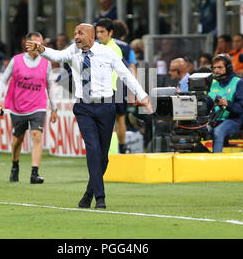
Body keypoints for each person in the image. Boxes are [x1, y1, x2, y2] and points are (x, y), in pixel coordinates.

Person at [26, 23, 152, 209]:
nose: (76, 36)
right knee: (92, 148)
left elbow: (125, 75)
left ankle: (88, 194)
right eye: (75, 33)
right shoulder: (73, 51)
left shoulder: (108, 53)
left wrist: (143, 96)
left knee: (103, 158)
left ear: (92, 36)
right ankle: (100, 198)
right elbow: (57, 55)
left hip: (106, 106)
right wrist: (42, 49)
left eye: (80, 33)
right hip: (84, 107)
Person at [0, 32, 58, 184]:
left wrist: (54, 107)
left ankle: (34, 173)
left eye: (40, 42)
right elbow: (3, 80)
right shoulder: (16, 60)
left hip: (38, 105)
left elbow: (49, 85)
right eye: (35, 42)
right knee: (18, 139)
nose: (38, 45)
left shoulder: (46, 62)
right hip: (18, 106)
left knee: (37, 135)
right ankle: (15, 165)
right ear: (27, 44)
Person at [95, 18, 128, 154]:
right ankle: (109, 148)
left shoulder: (115, 49)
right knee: (107, 120)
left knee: (119, 118)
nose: (99, 35)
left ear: (110, 32)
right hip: (106, 88)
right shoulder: (97, 47)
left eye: (102, 32)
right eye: (97, 32)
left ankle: (121, 147)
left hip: (115, 87)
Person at [207, 54, 243, 153]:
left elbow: (242, 108)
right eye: (214, 68)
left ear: (229, 68)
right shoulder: (212, 83)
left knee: (218, 131)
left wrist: (227, 104)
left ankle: (217, 162)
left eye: (220, 67)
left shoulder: (238, 83)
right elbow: (207, 104)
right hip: (214, 119)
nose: (216, 70)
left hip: (234, 120)